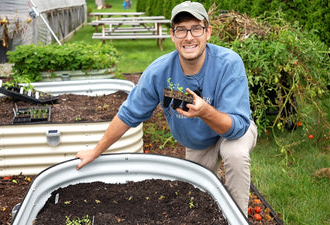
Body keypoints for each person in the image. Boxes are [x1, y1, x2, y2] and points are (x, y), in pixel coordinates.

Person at [76, 0, 257, 216]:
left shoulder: (229, 63)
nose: (189, 37)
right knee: (200, 198)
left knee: (235, 154)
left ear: (208, 32)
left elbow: (237, 127)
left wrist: (206, 112)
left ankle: (238, 218)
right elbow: (128, 114)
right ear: (172, 35)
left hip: (232, 132)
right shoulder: (159, 72)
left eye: (196, 28)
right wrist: (96, 151)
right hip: (198, 142)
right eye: (181, 30)